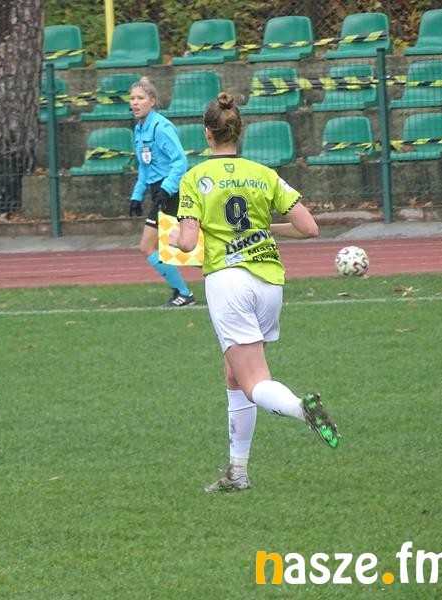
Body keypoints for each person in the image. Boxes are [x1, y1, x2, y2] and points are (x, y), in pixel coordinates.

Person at [171, 92, 340, 492]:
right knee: (234, 373)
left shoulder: (195, 177)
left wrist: (177, 235)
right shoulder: (263, 174)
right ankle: (238, 473)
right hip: (268, 281)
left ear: (207, 133)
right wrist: (262, 229)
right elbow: (309, 228)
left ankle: (301, 408)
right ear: (239, 131)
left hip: (229, 282)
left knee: (254, 381)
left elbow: (188, 242)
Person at [128, 77, 195, 308]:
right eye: (132, 98)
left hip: (172, 192)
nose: (135, 103)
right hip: (159, 193)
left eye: (140, 98)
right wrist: (137, 196)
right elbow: (145, 167)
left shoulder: (161, 127)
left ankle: (184, 293)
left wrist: (166, 190)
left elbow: (180, 162)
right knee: (180, 247)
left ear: (152, 101)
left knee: (154, 247)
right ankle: (185, 292)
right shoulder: (139, 129)